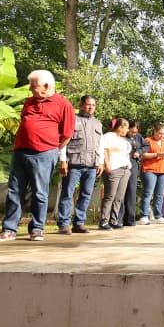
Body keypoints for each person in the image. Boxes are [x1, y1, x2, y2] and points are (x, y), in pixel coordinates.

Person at [0, 70, 75, 242]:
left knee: (40, 192)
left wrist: (51, 149)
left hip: (44, 154)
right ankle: (9, 229)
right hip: (20, 151)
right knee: (14, 191)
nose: (30, 89)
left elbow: (67, 134)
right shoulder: (29, 102)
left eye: (33, 86)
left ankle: (37, 229)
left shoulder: (63, 104)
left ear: (46, 86)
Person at [57, 94, 103, 235]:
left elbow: (100, 144)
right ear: (81, 105)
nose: (91, 107)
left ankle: (79, 223)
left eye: (93, 105)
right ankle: (64, 224)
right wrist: (63, 160)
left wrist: (100, 162)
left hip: (91, 164)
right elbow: (64, 140)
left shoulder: (97, 123)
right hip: (74, 163)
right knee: (67, 193)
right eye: (88, 104)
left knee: (86, 194)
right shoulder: (72, 120)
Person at [98, 118, 132, 230]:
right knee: (110, 196)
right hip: (114, 169)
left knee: (119, 197)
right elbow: (104, 150)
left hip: (125, 169)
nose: (127, 130)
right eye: (126, 127)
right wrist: (106, 164)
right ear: (120, 127)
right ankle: (103, 220)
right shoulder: (108, 136)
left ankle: (114, 220)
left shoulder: (123, 139)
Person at [139, 124, 164, 225]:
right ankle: (144, 216)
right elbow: (143, 155)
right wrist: (157, 154)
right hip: (150, 170)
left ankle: (158, 216)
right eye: (160, 133)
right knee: (148, 193)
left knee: (160, 194)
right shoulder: (147, 140)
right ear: (155, 131)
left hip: (163, 170)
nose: (162, 136)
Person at [122, 120, 146, 227]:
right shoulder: (121, 136)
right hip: (121, 164)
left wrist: (139, 152)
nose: (133, 134)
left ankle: (130, 219)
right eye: (131, 132)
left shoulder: (138, 137)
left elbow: (146, 146)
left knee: (132, 191)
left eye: (135, 132)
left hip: (134, 165)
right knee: (121, 192)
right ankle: (119, 219)